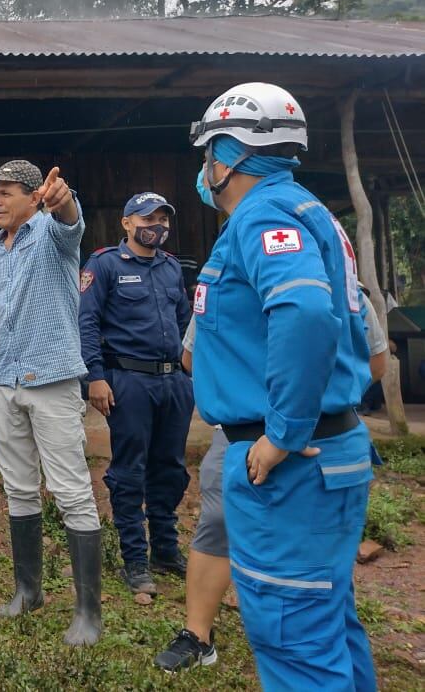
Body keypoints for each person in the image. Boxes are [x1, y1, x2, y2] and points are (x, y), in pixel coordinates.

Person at [187, 82, 376, 691]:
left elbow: (305, 314)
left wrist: (283, 433)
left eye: (209, 153)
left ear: (233, 154)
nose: (205, 169)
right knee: (327, 621)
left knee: (293, 634)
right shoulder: (306, 209)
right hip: (326, 454)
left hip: (292, 464)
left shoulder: (265, 215)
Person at [154, 293, 388, 673]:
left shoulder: (339, 285)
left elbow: (375, 359)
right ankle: (198, 634)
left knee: (311, 559)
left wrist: (306, 406)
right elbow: (192, 356)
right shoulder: (225, 288)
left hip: (314, 440)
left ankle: (321, 641)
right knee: (219, 524)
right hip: (244, 437)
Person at [0, 160, 103, 646]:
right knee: (18, 488)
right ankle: (28, 591)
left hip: (52, 379)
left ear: (31, 196)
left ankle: (88, 612)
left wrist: (63, 202)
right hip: (3, 381)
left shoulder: (52, 235)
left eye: (6, 192)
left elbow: (71, 222)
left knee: (71, 491)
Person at [78, 192, 194, 595]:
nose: (157, 225)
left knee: (171, 468)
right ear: (127, 223)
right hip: (129, 381)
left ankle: (165, 547)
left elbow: (184, 323)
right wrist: (94, 377)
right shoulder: (105, 264)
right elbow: (87, 323)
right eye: (148, 217)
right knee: (129, 471)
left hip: (173, 382)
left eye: (163, 218)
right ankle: (135, 559)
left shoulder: (170, 267)